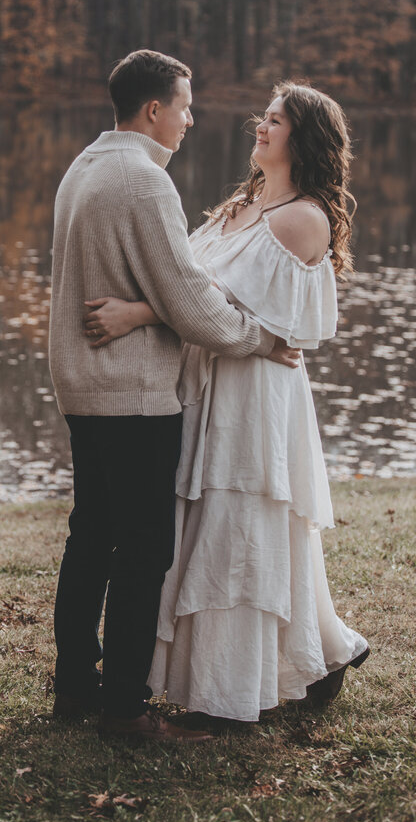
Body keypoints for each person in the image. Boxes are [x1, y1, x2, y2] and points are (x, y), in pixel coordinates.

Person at [83, 81, 370, 725]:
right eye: (262, 118)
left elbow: (219, 307)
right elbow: (186, 285)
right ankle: (326, 652)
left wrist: (135, 314)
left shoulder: (302, 217)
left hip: (253, 393)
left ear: (306, 137)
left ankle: (233, 688)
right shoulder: (238, 206)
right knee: (202, 519)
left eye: (274, 120)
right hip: (209, 376)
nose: (259, 127)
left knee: (240, 524)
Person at [48, 51, 301, 743]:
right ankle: (125, 709)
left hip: (81, 381)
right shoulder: (143, 182)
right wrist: (258, 338)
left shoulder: (87, 165)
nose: (191, 119)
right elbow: (190, 304)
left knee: (91, 537)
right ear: (153, 109)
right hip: (130, 391)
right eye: (185, 106)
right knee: (143, 551)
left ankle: (75, 686)